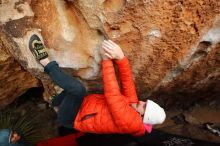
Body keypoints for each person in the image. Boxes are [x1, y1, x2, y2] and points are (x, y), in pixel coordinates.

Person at [28, 34, 166, 136]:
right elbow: (127, 82)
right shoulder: (134, 105)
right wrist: (121, 58)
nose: (142, 101)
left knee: (78, 89)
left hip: (72, 118)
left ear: (143, 116)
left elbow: (113, 96)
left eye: (144, 106)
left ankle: (44, 60)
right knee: (75, 91)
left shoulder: (130, 123)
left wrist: (106, 61)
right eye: (146, 102)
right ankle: (55, 103)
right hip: (83, 106)